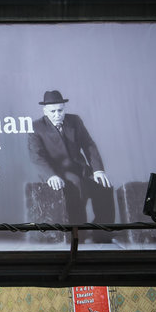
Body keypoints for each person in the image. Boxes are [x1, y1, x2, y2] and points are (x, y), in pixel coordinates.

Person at [28, 90, 114, 228]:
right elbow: (36, 155)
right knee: (76, 184)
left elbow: (88, 144)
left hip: (81, 169)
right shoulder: (36, 127)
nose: (57, 115)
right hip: (58, 173)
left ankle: (102, 233)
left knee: (104, 185)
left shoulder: (75, 121)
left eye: (60, 110)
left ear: (64, 108)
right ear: (45, 111)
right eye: (53, 111)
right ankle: (79, 233)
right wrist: (50, 176)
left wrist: (98, 170)